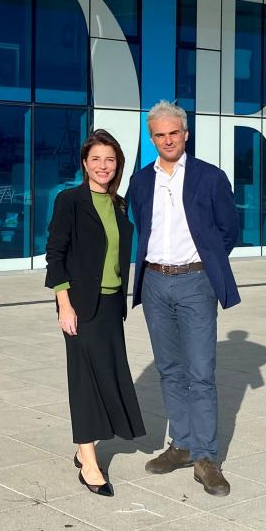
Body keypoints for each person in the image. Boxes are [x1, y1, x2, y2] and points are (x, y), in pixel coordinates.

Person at [127, 100, 241, 497]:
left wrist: (204, 265)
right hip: (155, 282)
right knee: (170, 370)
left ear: (185, 134)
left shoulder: (210, 177)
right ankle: (183, 445)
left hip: (195, 282)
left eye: (174, 132)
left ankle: (207, 458)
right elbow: (139, 226)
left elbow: (229, 230)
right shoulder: (141, 181)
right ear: (152, 137)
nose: (168, 139)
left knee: (200, 373)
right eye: (159, 134)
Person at [45, 129, 146, 497]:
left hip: (109, 306)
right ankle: (89, 460)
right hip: (79, 305)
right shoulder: (69, 200)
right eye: (96, 159)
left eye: (110, 159)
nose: (103, 166)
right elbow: (55, 254)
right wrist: (64, 304)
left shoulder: (119, 205)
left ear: (117, 164)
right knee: (84, 380)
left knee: (108, 376)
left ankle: (82, 446)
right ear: (85, 164)